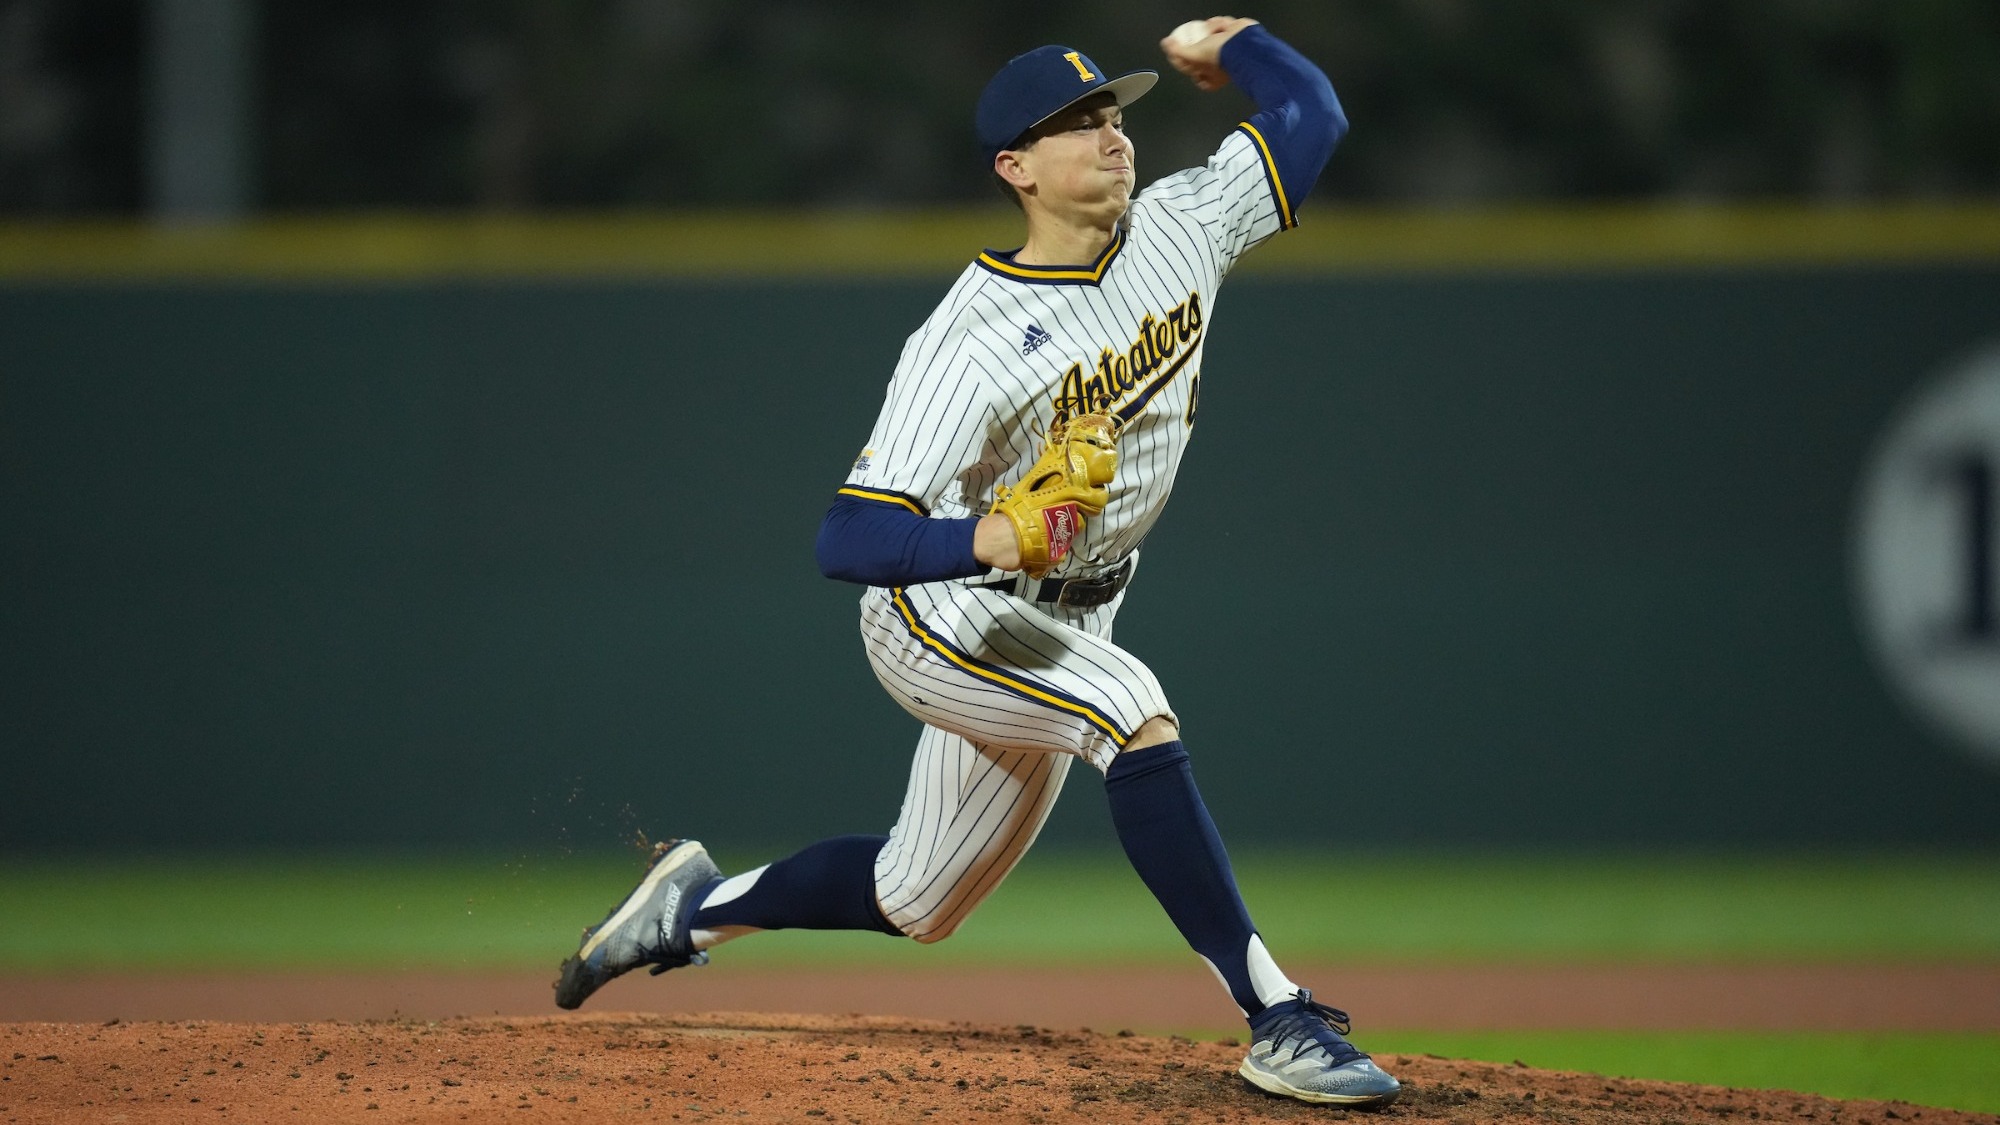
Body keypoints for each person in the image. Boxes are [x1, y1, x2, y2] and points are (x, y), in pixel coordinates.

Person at [554, 17, 1400, 1109]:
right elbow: (846, 539)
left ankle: (692, 910)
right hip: (942, 613)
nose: (1110, 138)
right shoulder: (966, 341)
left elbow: (1309, 117)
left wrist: (1237, 41)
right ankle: (1275, 1017)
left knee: (922, 896)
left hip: (1068, 613)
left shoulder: (1181, 223)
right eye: (1075, 125)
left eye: (1112, 116)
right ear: (1015, 169)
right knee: (1127, 708)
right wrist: (987, 537)